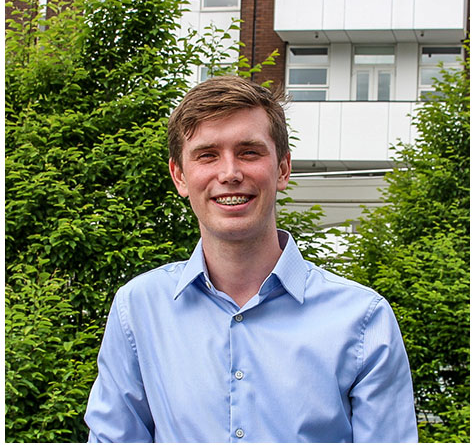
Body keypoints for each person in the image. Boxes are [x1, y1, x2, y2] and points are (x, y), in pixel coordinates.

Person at [84, 75, 418, 443]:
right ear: (179, 176)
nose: (230, 173)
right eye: (207, 155)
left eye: (249, 152)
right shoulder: (139, 310)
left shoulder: (364, 320)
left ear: (283, 169)